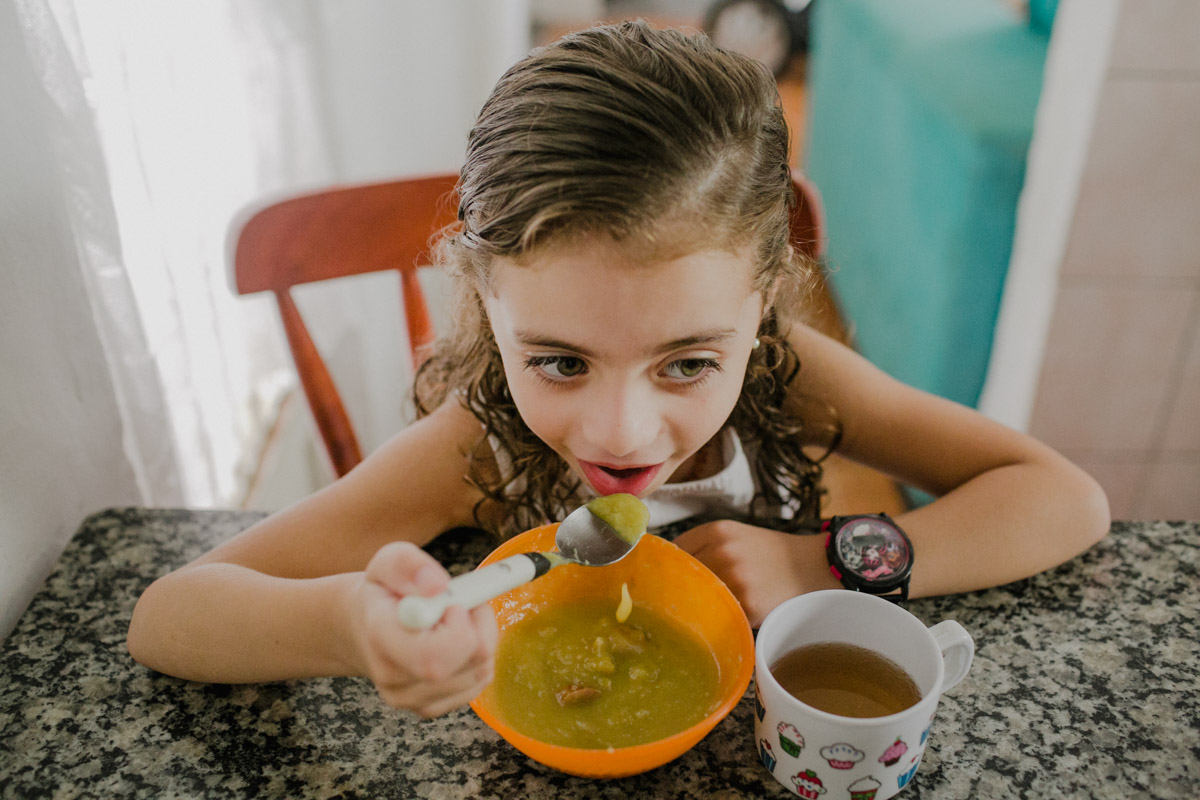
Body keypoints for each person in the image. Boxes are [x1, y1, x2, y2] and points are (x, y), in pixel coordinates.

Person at [127, 20, 1109, 718]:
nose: (622, 432)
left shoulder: (791, 373)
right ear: (486, 300)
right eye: (559, 361)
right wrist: (348, 624)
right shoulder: (476, 447)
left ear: (763, 296)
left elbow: (1064, 498)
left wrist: (822, 564)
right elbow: (169, 615)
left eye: (686, 362)